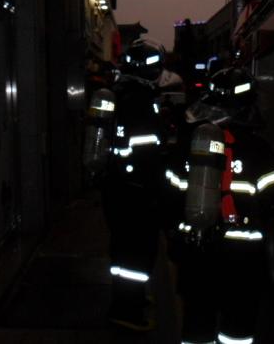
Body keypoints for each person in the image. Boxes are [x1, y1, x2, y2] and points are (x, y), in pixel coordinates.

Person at [166, 66, 274, 344]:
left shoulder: (188, 144)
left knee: (197, 321)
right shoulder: (257, 149)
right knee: (237, 324)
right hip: (242, 258)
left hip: (195, 251)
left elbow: (168, 197)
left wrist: (177, 237)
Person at [84, 38, 171, 331]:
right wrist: (160, 189)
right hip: (136, 192)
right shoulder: (140, 101)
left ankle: (127, 299)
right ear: (152, 69)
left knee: (122, 250)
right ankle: (128, 311)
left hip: (117, 187)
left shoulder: (121, 93)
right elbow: (147, 154)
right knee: (138, 252)